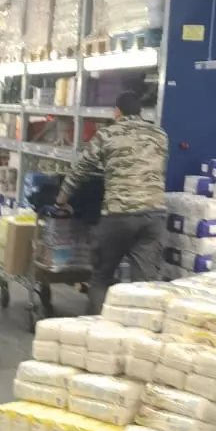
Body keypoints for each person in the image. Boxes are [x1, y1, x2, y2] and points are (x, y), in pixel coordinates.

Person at [55, 85, 167, 312]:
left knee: (101, 277)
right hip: (154, 215)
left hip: (119, 215)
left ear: (117, 112)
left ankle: (97, 325)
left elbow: (80, 170)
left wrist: (61, 200)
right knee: (145, 283)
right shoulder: (160, 135)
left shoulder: (107, 134)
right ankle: (140, 326)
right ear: (141, 112)